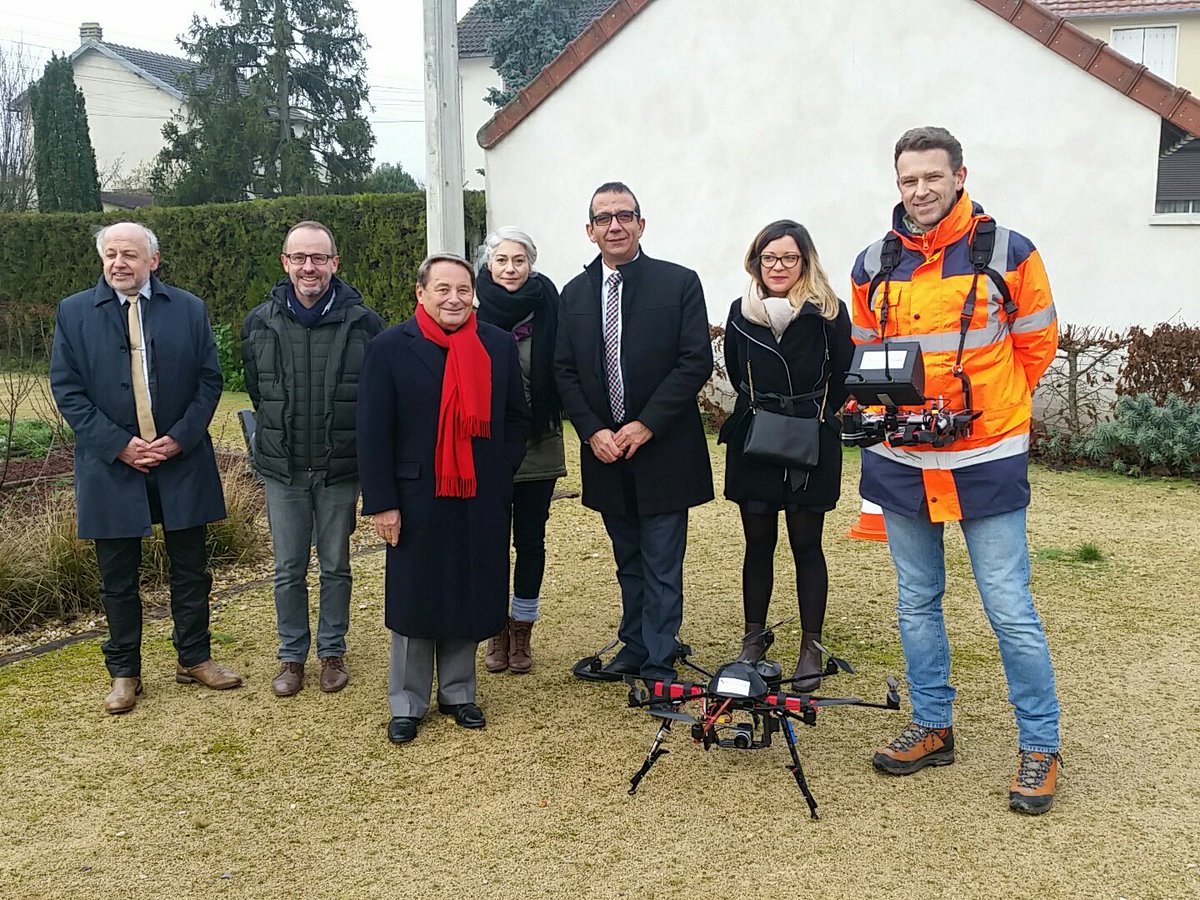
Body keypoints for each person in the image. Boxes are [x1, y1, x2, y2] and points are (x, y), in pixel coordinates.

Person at [850, 127, 1062, 814]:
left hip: (986, 455)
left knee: (1010, 608)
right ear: (898, 183)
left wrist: (990, 411)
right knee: (916, 602)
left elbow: (1035, 348)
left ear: (960, 175)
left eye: (932, 178)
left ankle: (1040, 745)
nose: (920, 191)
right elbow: (864, 357)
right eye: (909, 180)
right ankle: (932, 726)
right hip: (903, 458)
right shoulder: (871, 263)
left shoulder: (1010, 252)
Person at [50, 222, 243, 714]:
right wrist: (120, 445)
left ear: (152, 261)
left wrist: (178, 439)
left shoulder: (189, 309)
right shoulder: (74, 314)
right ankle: (124, 672)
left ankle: (194, 658)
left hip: (182, 460)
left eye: (130, 255)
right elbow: (67, 390)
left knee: (191, 569)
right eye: (111, 254)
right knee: (117, 576)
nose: (119, 263)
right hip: (111, 465)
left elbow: (209, 381)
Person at [357, 252, 529, 745]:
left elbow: (517, 416)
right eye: (443, 290)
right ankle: (407, 702)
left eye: (462, 290)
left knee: (467, 587)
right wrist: (383, 502)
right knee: (416, 594)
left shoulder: (495, 345)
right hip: (415, 495)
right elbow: (372, 432)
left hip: (480, 492)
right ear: (421, 293)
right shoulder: (390, 347)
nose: (454, 299)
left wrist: (499, 465)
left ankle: (458, 692)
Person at [556, 182, 714, 685]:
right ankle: (635, 642)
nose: (615, 225)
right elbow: (564, 371)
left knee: (662, 562)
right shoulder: (575, 294)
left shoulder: (679, 283)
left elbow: (695, 362)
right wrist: (592, 430)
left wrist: (646, 424)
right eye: (604, 218)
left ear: (641, 225)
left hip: (663, 447)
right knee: (628, 560)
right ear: (590, 230)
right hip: (605, 452)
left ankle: (659, 662)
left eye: (625, 215)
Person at [241, 221, 384, 697]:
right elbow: (260, 392)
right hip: (283, 469)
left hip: (339, 467)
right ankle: (290, 656)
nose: (309, 267)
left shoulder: (364, 323)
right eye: (299, 258)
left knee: (336, 565)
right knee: (287, 568)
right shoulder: (259, 322)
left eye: (318, 258)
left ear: (334, 264)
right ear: (285, 263)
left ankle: (331, 651)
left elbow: (373, 396)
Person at [718, 220, 853, 691]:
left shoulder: (829, 311)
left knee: (806, 544)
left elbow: (841, 376)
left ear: (805, 261)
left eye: (788, 258)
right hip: (755, 438)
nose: (778, 267)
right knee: (757, 544)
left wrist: (813, 416)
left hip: (810, 439)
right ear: (756, 262)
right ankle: (754, 637)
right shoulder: (740, 312)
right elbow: (737, 373)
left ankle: (811, 645)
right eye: (769, 258)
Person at [475, 227, 566, 675]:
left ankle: (522, 628)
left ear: (531, 264)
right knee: (491, 541)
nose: (510, 269)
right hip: (485, 446)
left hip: (538, 442)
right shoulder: (470, 309)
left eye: (519, 260)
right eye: (502, 260)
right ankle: (495, 630)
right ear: (488, 265)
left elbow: (568, 369)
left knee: (530, 541)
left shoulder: (551, 307)